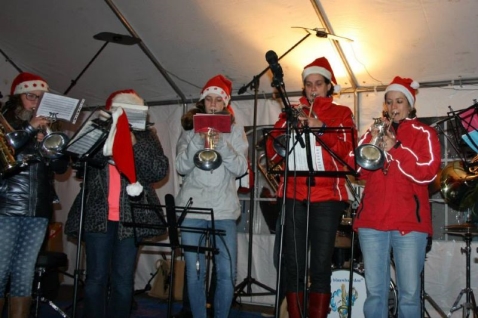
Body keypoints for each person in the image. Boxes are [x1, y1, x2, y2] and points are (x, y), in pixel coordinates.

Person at [65, 89, 169, 318]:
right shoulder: (96, 131)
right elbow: (77, 159)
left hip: (130, 220)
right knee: (95, 279)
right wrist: (110, 139)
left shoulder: (146, 136)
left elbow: (158, 171)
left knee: (123, 281)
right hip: (97, 216)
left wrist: (133, 144)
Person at [266, 57, 356, 318]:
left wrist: (322, 127)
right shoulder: (289, 112)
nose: (313, 89)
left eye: (318, 84)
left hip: (327, 197)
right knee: (293, 265)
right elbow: (273, 153)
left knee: (319, 267)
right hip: (294, 195)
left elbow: (349, 156)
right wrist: (285, 131)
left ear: (328, 86)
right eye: (308, 84)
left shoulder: (342, 114)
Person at [352, 76, 441, 317]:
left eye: (399, 101)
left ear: (410, 105)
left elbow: (428, 173)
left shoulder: (425, 133)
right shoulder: (376, 130)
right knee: (375, 293)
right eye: (389, 102)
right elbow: (357, 170)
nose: (393, 107)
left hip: (409, 225)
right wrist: (371, 140)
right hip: (372, 222)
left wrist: (398, 149)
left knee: (409, 296)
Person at [175, 74, 248, 318]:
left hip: (224, 209)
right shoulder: (188, 131)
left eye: (219, 100)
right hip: (193, 207)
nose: (214, 104)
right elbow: (181, 167)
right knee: (195, 272)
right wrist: (198, 140)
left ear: (225, 104)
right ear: (203, 103)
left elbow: (240, 168)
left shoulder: (236, 131)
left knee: (227, 272)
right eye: (209, 100)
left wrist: (223, 146)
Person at [0, 72, 68, 317]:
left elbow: (61, 170)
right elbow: (6, 150)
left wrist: (55, 149)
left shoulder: (48, 126)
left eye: (41, 99)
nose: (36, 103)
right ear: (18, 98)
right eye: (31, 97)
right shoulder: (5, 121)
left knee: (24, 272)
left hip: (39, 208)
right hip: (6, 206)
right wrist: (30, 129)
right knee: (0, 270)